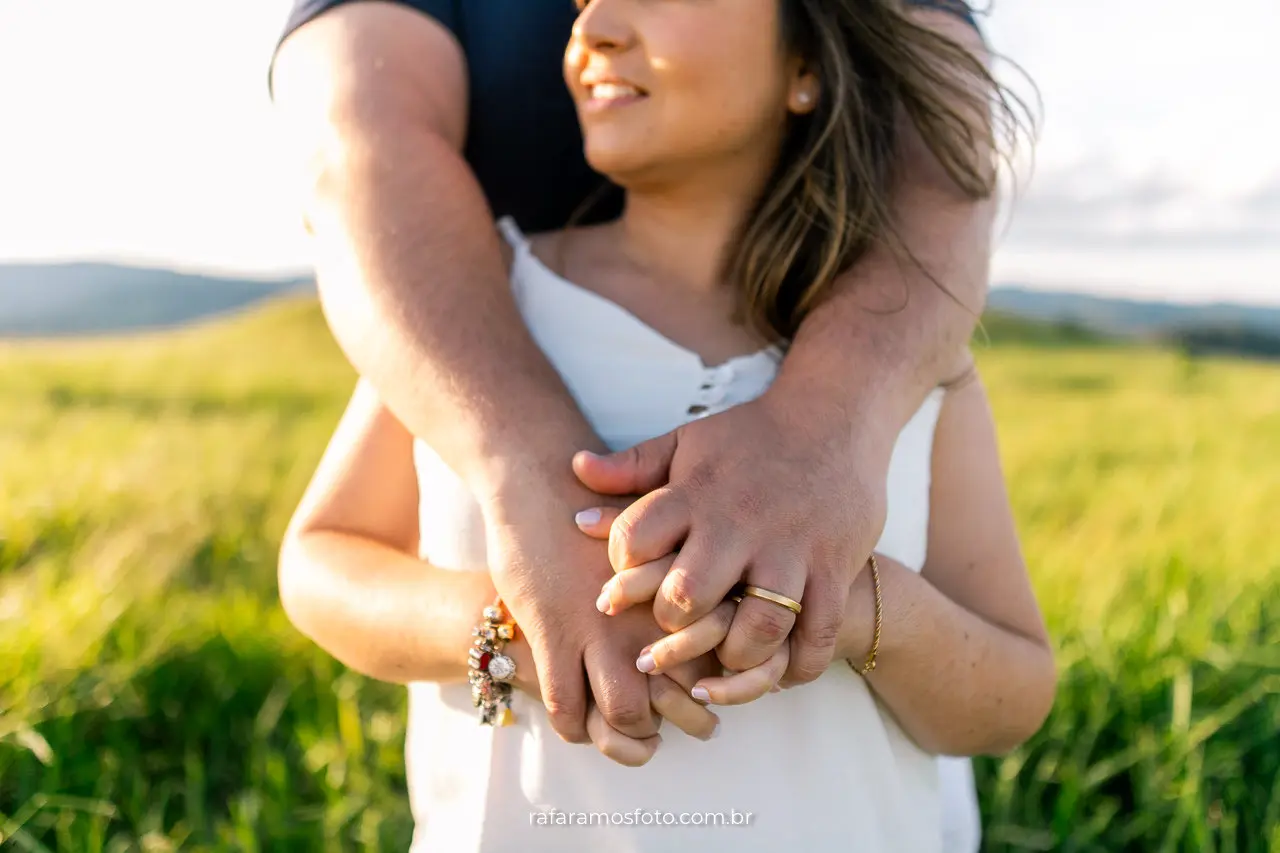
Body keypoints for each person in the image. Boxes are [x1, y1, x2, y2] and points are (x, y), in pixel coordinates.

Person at [274, 0, 1056, 850]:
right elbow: (321, 560)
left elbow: (1013, 695)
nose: (591, 29)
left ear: (807, 67)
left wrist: (852, 607)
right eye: (582, 2)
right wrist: (511, 628)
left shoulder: (913, 358)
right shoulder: (475, 303)